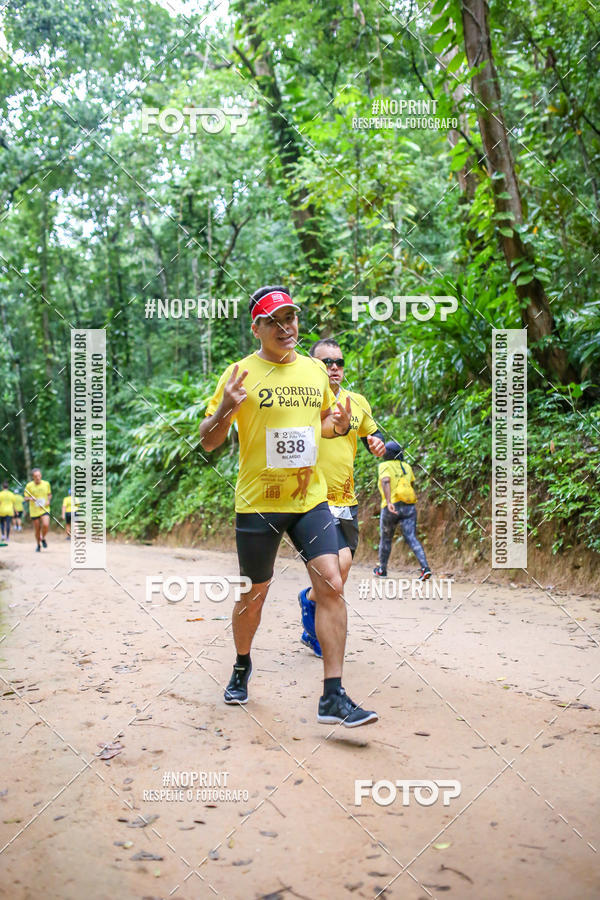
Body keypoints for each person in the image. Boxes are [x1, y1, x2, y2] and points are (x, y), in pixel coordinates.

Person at [200, 285, 378, 727]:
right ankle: (242, 663)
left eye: (291, 318)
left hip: (308, 498)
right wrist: (224, 408)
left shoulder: (317, 371)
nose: (287, 328)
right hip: (259, 501)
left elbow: (318, 424)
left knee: (332, 583)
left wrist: (333, 425)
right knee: (253, 595)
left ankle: (332, 696)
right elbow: (209, 441)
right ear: (257, 327)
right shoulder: (239, 372)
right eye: (275, 321)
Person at [298, 339, 386, 657]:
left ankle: (308, 600)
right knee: (336, 573)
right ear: (313, 367)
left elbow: (373, 436)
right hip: (314, 500)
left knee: (341, 572)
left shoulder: (357, 401)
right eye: (326, 362)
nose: (334, 367)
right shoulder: (305, 403)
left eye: (339, 361)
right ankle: (321, 635)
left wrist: (378, 445)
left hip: (346, 500)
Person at [374, 442, 431, 580]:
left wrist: (388, 502)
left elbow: (386, 481)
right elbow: (410, 485)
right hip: (408, 506)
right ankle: (425, 568)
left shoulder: (384, 466)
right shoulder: (407, 467)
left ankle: (382, 569)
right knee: (411, 537)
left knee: (386, 539)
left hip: (391, 507)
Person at [24, 468, 52, 552]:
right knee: (37, 529)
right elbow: (25, 498)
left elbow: (49, 494)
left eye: (39, 475)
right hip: (34, 510)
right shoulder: (29, 485)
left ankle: (43, 538)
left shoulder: (46, 484)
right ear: (33, 477)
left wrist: (48, 501)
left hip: (44, 508)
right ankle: (38, 545)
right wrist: (30, 498)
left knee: (46, 525)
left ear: (41, 475)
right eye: (36, 476)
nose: (38, 477)